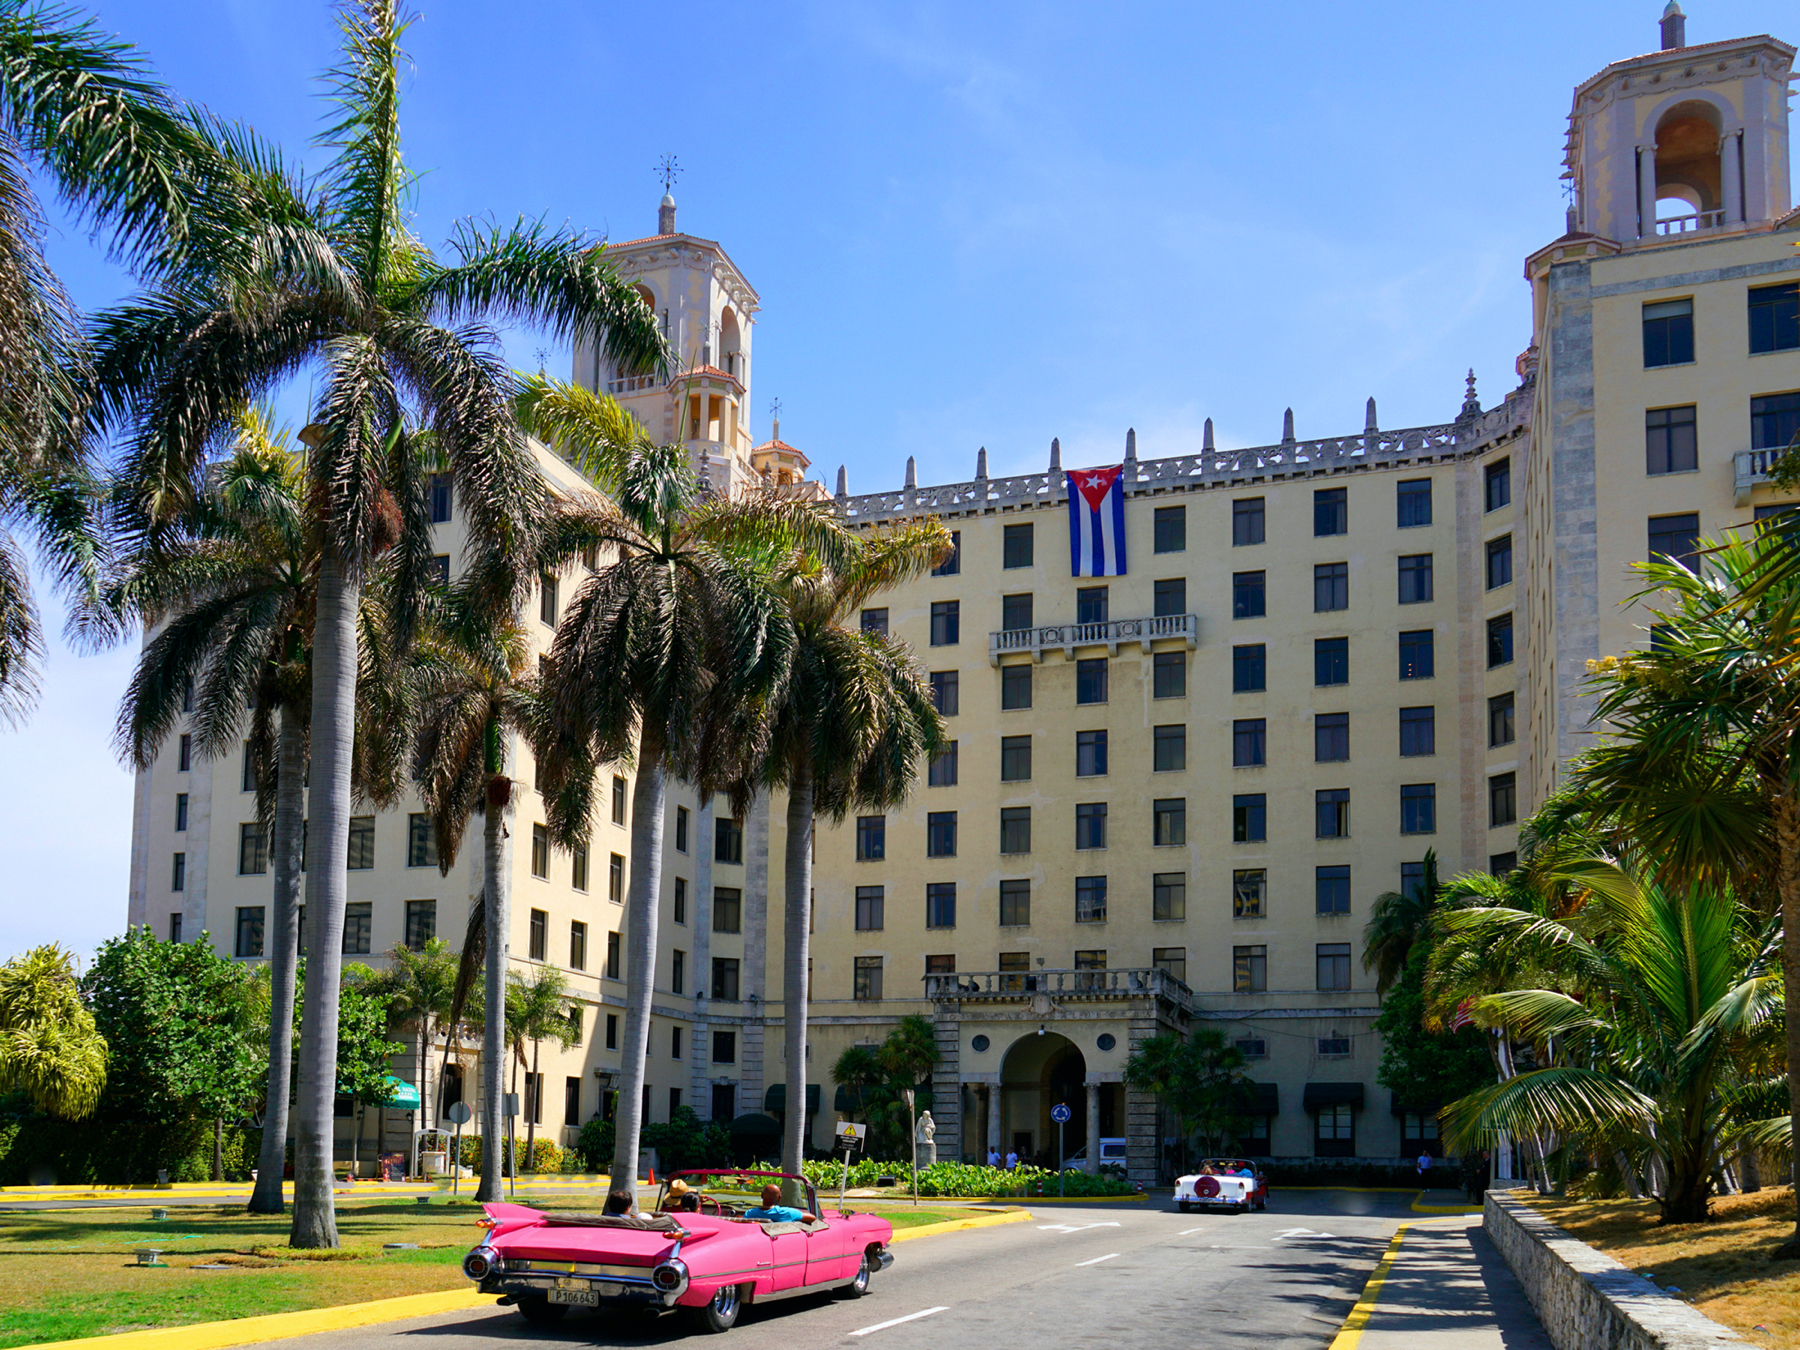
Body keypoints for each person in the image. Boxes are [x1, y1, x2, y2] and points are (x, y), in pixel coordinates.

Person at [744, 1183, 816, 1224]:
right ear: (779, 1198)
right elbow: (812, 1218)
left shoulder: (750, 1214)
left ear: (762, 1196)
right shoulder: (786, 1213)